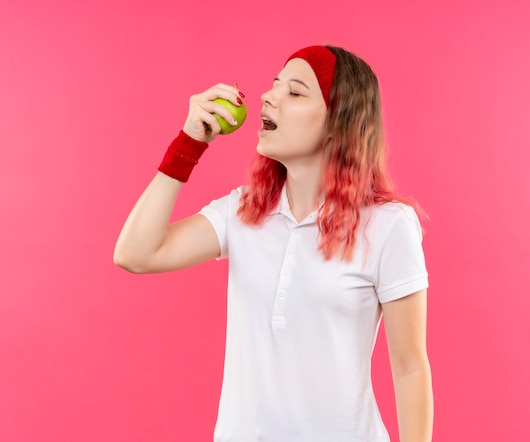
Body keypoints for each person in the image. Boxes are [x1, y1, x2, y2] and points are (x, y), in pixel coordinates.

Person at [114, 45, 433, 442]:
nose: (268, 97)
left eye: (295, 92)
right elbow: (135, 254)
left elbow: (410, 368)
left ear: (340, 122)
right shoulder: (244, 210)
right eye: (274, 85)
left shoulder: (387, 226)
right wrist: (189, 143)